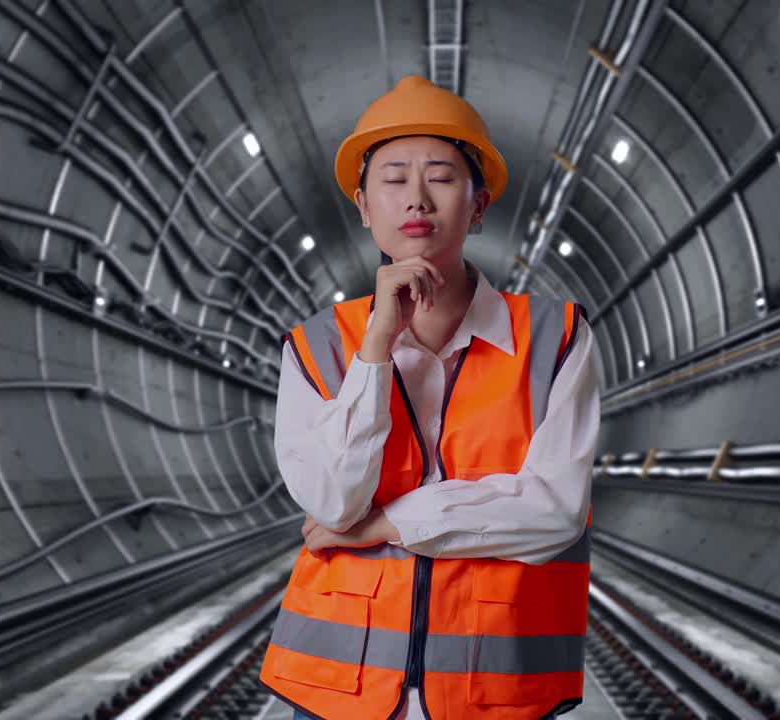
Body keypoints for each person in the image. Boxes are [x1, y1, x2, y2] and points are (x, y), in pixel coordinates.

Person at [260, 75, 600, 720]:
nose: (415, 196)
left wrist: (385, 525)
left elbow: (555, 510)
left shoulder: (555, 338)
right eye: (392, 178)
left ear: (479, 205)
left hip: (494, 689)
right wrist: (376, 350)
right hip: (338, 691)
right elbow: (333, 498)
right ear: (363, 206)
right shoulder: (316, 347)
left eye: (442, 175)